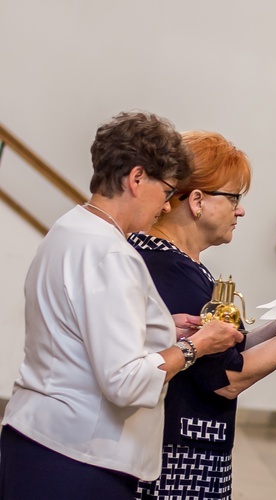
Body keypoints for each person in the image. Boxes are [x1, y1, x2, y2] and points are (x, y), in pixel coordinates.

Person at [0, 111, 245, 499]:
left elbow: (82, 329)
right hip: (79, 455)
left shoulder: (69, 228)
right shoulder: (111, 253)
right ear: (136, 179)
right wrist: (195, 347)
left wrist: (163, 326)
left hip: (35, 435)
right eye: (166, 192)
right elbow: (124, 381)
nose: (165, 207)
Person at [128, 130, 276, 499]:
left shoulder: (169, 259)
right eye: (234, 197)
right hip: (178, 457)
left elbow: (228, 348)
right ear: (198, 201)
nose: (241, 210)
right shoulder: (170, 268)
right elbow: (227, 377)